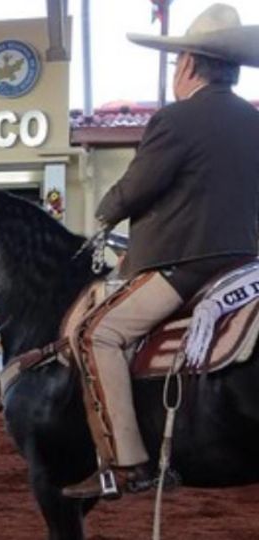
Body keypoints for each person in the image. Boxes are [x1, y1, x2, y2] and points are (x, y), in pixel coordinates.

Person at [62, 3, 259, 499]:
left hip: (187, 267)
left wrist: (106, 210)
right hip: (248, 268)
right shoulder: (253, 122)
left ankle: (127, 465)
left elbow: (134, 191)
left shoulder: (175, 120)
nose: (176, 72)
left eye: (177, 64)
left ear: (190, 64)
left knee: (94, 333)